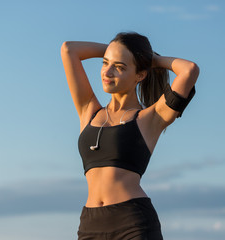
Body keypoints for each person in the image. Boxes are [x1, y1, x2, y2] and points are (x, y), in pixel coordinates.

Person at [60, 32, 199, 240]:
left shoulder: (151, 117)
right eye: (105, 62)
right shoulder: (88, 110)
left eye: (120, 67)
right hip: (90, 225)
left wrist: (148, 58)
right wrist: (118, 51)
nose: (107, 72)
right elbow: (69, 49)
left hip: (132, 223)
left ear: (140, 75)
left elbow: (189, 70)